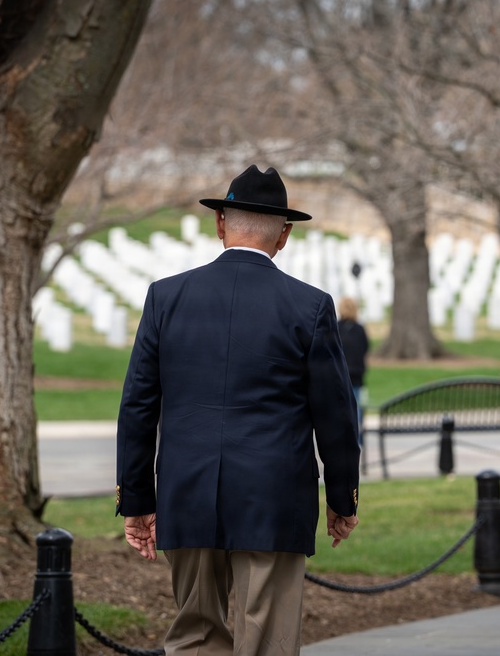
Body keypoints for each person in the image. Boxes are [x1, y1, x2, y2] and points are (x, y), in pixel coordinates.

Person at [115, 164, 361, 656]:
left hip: (188, 490)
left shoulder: (166, 297)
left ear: (221, 224)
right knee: (267, 641)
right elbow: (335, 414)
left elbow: (139, 405)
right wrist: (342, 497)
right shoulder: (309, 305)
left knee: (194, 637)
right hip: (274, 496)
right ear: (284, 235)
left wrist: (139, 500)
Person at [336, 297, 369, 437]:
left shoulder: (335, 328)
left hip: (339, 374)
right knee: (357, 406)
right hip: (357, 374)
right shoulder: (359, 329)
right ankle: (357, 437)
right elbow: (365, 348)